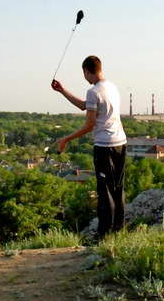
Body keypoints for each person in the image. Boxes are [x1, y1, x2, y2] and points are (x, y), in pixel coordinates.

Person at [51, 55, 127, 239]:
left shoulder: (93, 91)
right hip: (120, 143)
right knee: (117, 188)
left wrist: (66, 139)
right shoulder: (111, 87)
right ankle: (118, 230)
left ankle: (103, 235)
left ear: (86, 70)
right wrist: (63, 91)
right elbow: (85, 107)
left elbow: (89, 124)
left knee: (105, 191)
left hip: (104, 146)